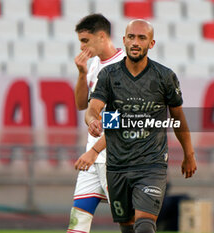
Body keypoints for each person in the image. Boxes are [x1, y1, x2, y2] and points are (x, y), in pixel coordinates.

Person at [85, 19, 197, 233]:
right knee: (127, 229)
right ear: (124, 40)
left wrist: (189, 154)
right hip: (118, 166)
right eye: (131, 37)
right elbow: (93, 109)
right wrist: (93, 121)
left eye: (142, 38)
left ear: (151, 43)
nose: (136, 42)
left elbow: (178, 118)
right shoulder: (109, 75)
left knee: (145, 226)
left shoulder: (164, 77)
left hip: (151, 165)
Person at [66, 14, 125, 233]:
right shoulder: (94, 65)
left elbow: (120, 115)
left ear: (101, 36)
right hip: (93, 157)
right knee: (77, 222)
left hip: (115, 156)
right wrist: (82, 73)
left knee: (129, 223)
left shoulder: (123, 66)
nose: (81, 46)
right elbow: (83, 105)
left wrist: (95, 150)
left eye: (85, 40)